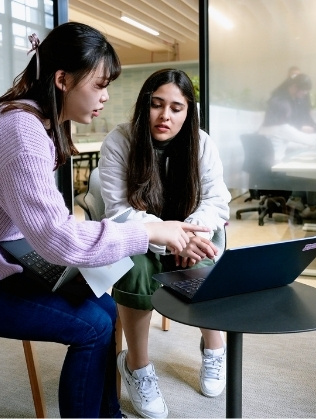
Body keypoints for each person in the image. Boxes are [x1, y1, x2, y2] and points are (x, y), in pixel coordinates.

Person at [0, 23, 210, 419]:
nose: (106, 96)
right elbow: (58, 239)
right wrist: (148, 231)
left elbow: (49, 227)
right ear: (62, 80)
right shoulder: (20, 131)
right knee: (92, 328)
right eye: (99, 85)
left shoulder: (31, 120)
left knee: (105, 308)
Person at [98, 69, 231, 418]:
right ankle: (137, 365)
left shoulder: (201, 143)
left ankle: (215, 345)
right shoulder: (120, 141)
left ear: (189, 112)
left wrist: (188, 236)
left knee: (202, 262)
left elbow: (217, 200)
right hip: (141, 236)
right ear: (145, 105)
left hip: (194, 236)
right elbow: (119, 211)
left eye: (176, 107)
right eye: (157, 105)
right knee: (136, 269)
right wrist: (168, 240)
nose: (165, 116)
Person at [259, 72, 316, 216]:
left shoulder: (267, 127)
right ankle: (312, 208)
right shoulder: (282, 127)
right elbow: (310, 140)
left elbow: (291, 142)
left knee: (301, 157)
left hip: (269, 165)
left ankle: (296, 201)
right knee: (312, 170)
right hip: (276, 168)